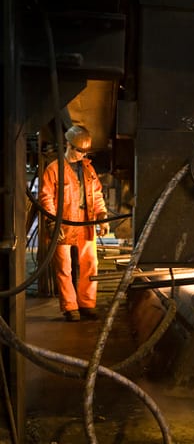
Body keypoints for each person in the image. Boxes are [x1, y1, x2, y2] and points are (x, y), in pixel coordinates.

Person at [39, 125, 109, 322]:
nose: (81, 154)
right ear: (68, 145)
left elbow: (96, 194)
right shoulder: (54, 169)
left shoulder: (88, 168)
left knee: (90, 264)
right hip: (64, 224)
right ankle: (70, 307)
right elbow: (46, 198)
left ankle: (87, 304)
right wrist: (53, 224)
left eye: (85, 151)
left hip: (85, 222)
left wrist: (102, 216)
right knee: (64, 267)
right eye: (79, 150)